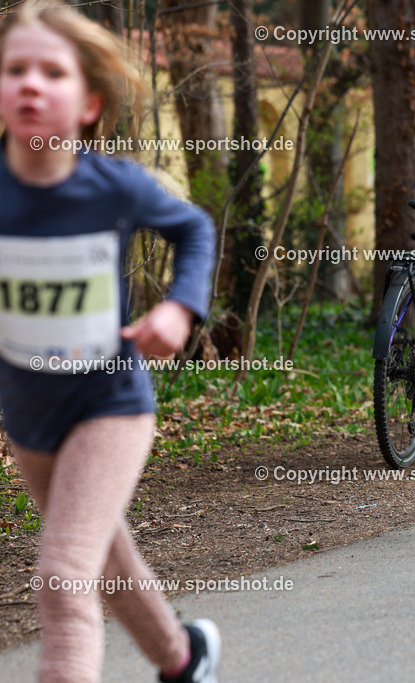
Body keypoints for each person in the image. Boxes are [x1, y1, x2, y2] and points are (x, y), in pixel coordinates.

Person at [0, 2, 219, 681]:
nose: (32, 84)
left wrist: (180, 308)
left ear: (90, 102)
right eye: (15, 70)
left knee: (64, 577)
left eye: (52, 73)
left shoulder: (112, 185)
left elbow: (194, 229)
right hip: (29, 420)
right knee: (104, 556)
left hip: (110, 405)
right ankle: (185, 658)